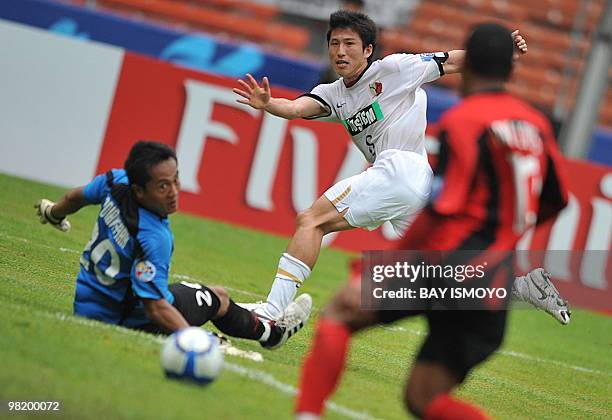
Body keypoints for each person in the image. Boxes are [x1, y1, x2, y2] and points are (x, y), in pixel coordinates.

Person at [294, 22, 570, 419]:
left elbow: (440, 207)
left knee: (340, 311)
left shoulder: (465, 122)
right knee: (422, 399)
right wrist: (503, 233)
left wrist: (392, 262)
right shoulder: (537, 126)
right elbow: (555, 200)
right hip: (489, 277)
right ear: (510, 72)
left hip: (443, 264)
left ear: (468, 66)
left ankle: (306, 413)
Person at [233, 10, 569, 324]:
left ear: (368, 50)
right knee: (440, 274)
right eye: (334, 43)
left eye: (349, 44)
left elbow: (451, 62)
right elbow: (296, 108)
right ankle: (524, 287)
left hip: (401, 169)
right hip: (413, 183)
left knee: (311, 221)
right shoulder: (333, 94)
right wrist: (269, 103)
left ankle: (271, 312)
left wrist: (501, 50)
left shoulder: (394, 69)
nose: (340, 51)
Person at [34, 141, 311, 349]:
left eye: (175, 179)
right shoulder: (154, 236)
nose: (174, 192)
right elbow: (154, 307)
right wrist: (197, 339)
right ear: (139, 190)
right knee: (218, 298)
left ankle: (267, 333)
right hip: (125, 317)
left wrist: (54, 213)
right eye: (162, 186)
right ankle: (271, 335)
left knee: (209, 296)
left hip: (86, 305)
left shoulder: (114, 181)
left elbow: (75, 196)